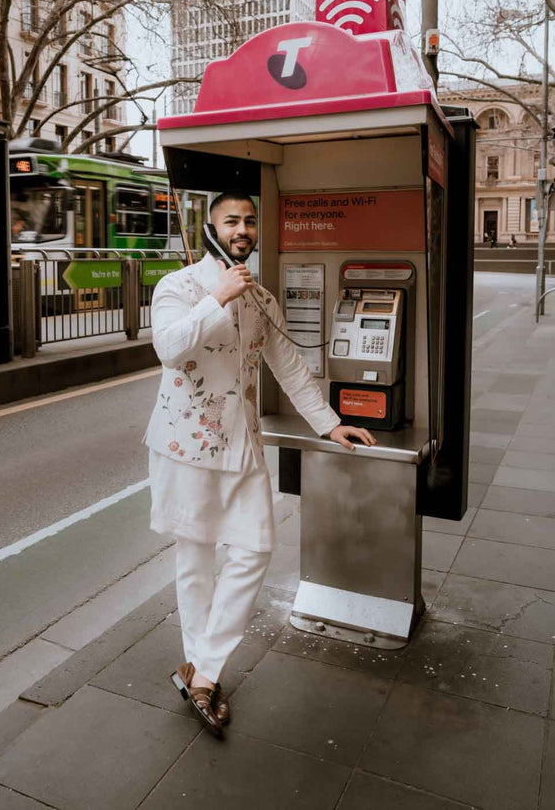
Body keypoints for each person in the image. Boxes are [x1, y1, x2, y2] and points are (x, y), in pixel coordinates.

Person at [144, 191, 376, 738]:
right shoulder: (178, 286)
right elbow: (167, 348)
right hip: (186, 446)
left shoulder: (262, 299)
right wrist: (217, 297)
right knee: (195, 557)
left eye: (249, 220)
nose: (242, 228)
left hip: (242, 443)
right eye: (232, 221)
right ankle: (204, 676)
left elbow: (289, 366)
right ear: (210, 227)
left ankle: (202, 666)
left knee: (254, 548)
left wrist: (327, 422)